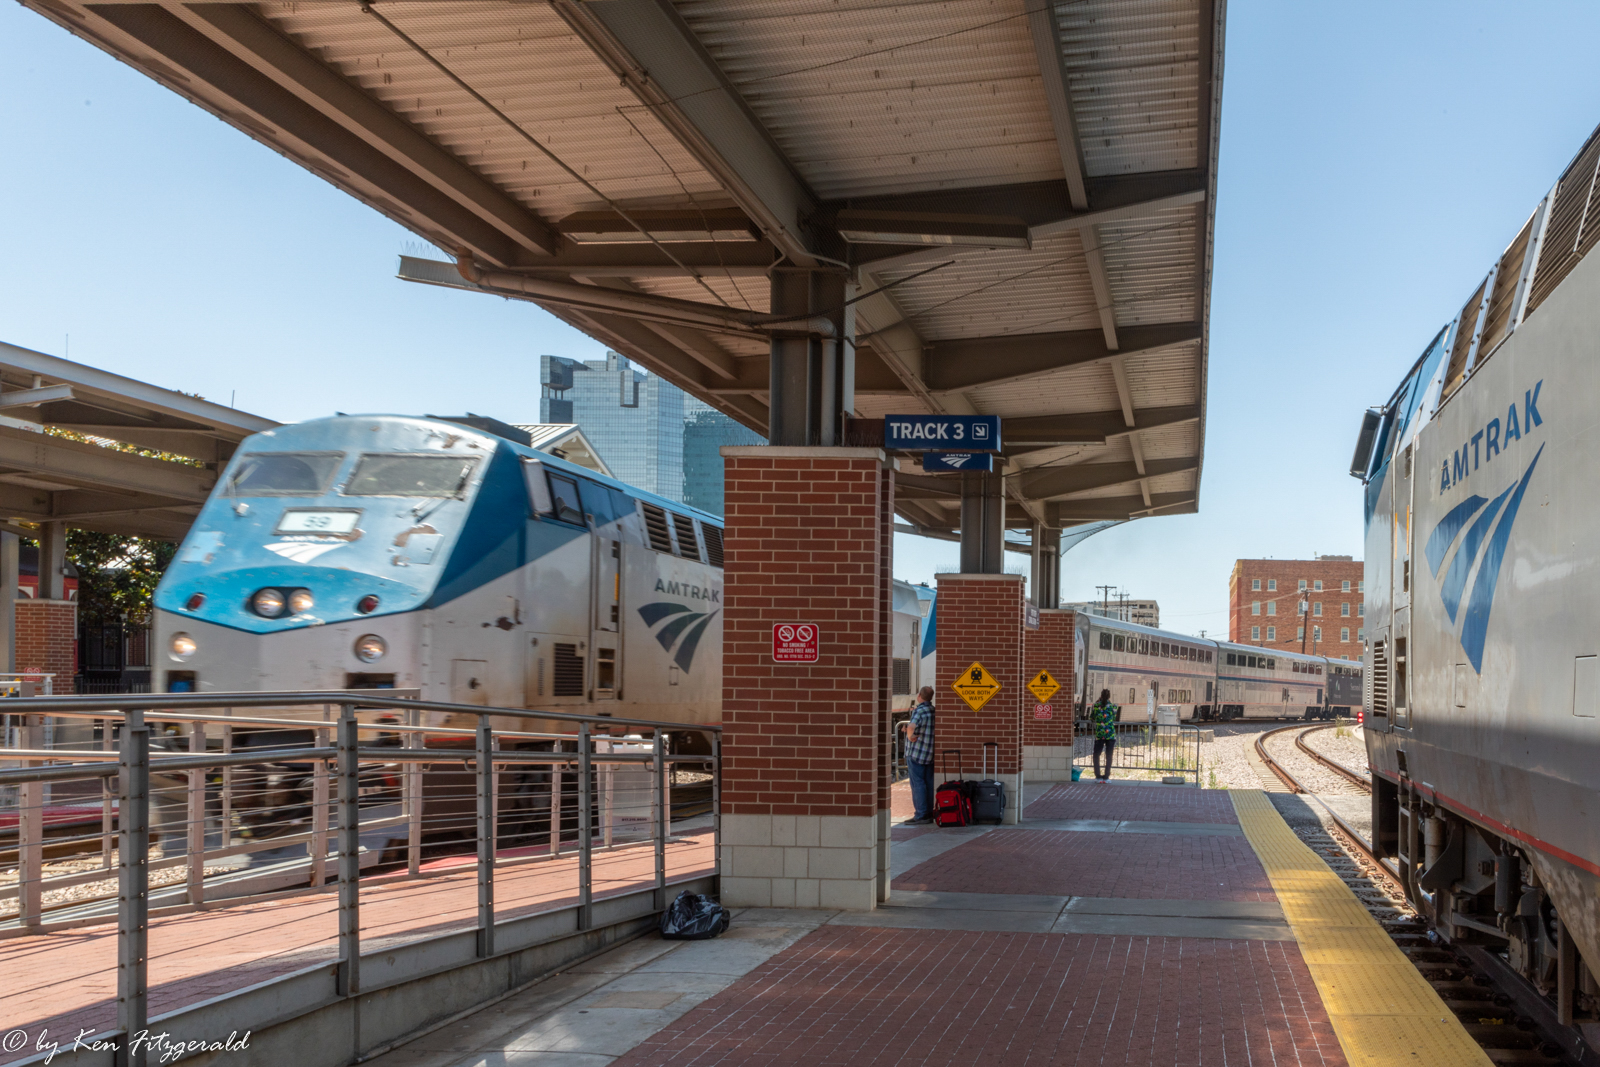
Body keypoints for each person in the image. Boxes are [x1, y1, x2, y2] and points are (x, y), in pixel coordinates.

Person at [904, 686, 937, 822]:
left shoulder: (920, 711)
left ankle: (920, 814)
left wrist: (910, 736)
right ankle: (929, 812)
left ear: (919, 696)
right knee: (928, 783)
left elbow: (912, 727)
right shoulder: (933, 710)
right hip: (929, 753)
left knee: (917, 784)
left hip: (916, 753)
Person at [1090, 688, 1120, 782]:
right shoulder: (1113, 707)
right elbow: (1113, 717)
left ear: (1101, 695)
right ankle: (1106, 777)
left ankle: (1098, 776)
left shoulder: (1095, 706)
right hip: (1110, 734)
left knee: (1096, 755)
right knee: (1109, 756)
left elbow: (1092, 717)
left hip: (1100, 734)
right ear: (1109, 697)